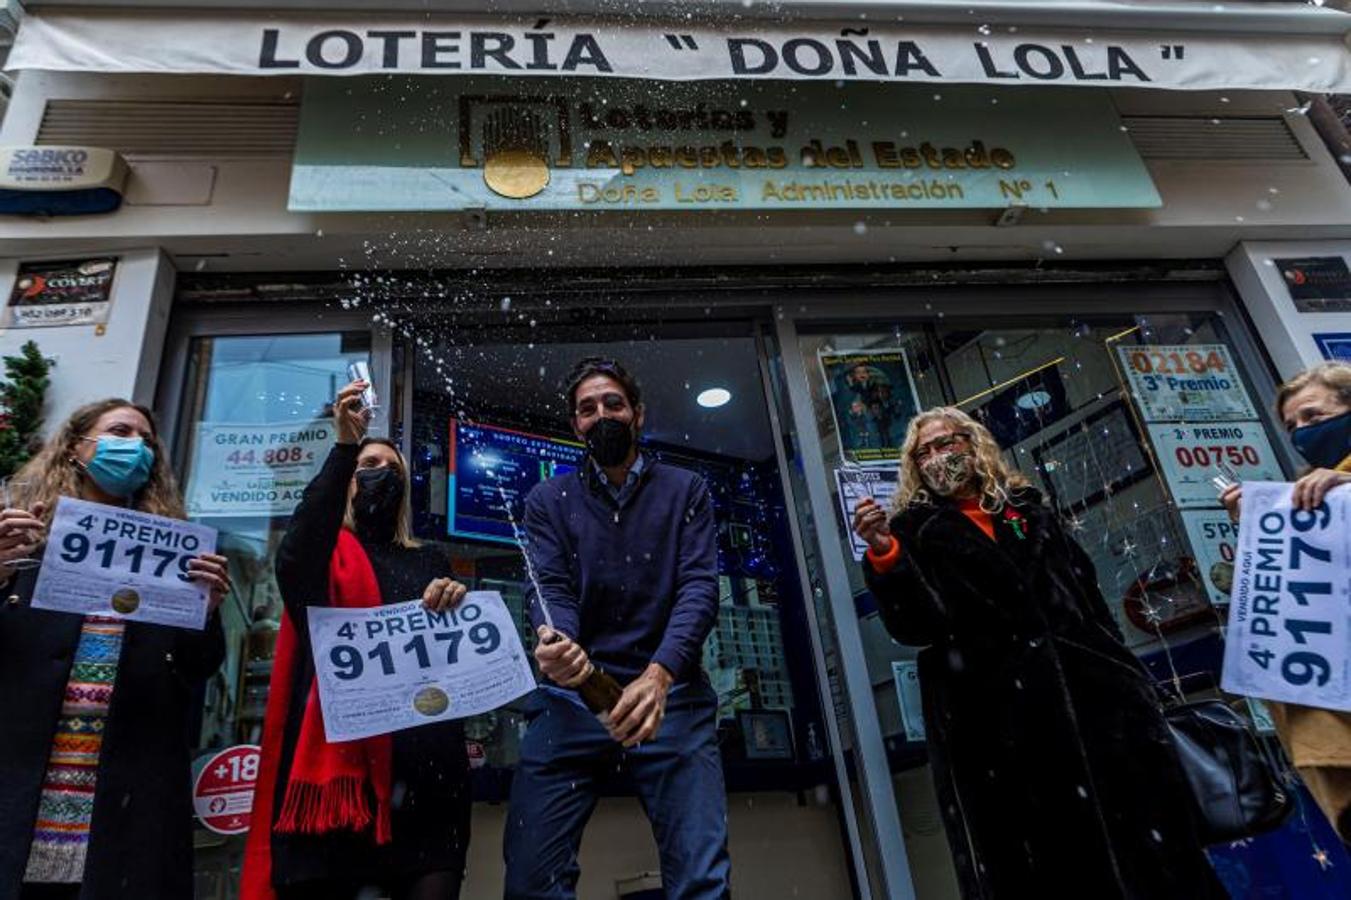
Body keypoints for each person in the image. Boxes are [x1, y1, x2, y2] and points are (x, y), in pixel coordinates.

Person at [853, 406, 1226, 899]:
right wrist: (886, 554)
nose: (939, 457)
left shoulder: (1027, 511)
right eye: (925, 452)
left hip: (1097, 706)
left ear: (974, 443)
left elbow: (1089, 602)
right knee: (1043, 861)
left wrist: (1129, 681)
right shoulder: (914, 532)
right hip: (997, 724)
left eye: (948, 442)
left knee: (1146, 853)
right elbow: (917, 625)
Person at [503, 357, 729, 900]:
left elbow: (699, 589)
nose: (601, 414)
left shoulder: (686, 490)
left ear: (637, 415)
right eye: (587, 408)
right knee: (531, 878)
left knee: (701, 880)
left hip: (671, 697)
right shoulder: (547, 501)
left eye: (613, 404)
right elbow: (549, 587)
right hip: (575, 701)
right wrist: (556, 641)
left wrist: (659, 675)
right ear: (574, 425)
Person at [241, 377, 472, 900]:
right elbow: (296, 557)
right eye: (367, 467)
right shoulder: (321, 558)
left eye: (391, 469)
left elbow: (451, 664)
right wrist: (345, 445)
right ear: (345, 479)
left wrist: (452, 601)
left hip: (428, 788)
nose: (379, 475)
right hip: (342, 798)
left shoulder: (427, 560)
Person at [0, 398, 230, 900]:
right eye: (120, 431)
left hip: (123, 792)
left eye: (146, 440)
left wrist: (204, 613)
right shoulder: (21, 540)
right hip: (27, 781)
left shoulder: (174, 553)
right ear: (76, 448)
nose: (136, 448)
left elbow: (198, 669)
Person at [1221, 360, 1351, 844]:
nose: (1301, 433)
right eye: (1292, 426)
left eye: (1314, 417)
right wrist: (1260, 529)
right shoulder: (1309, 498)